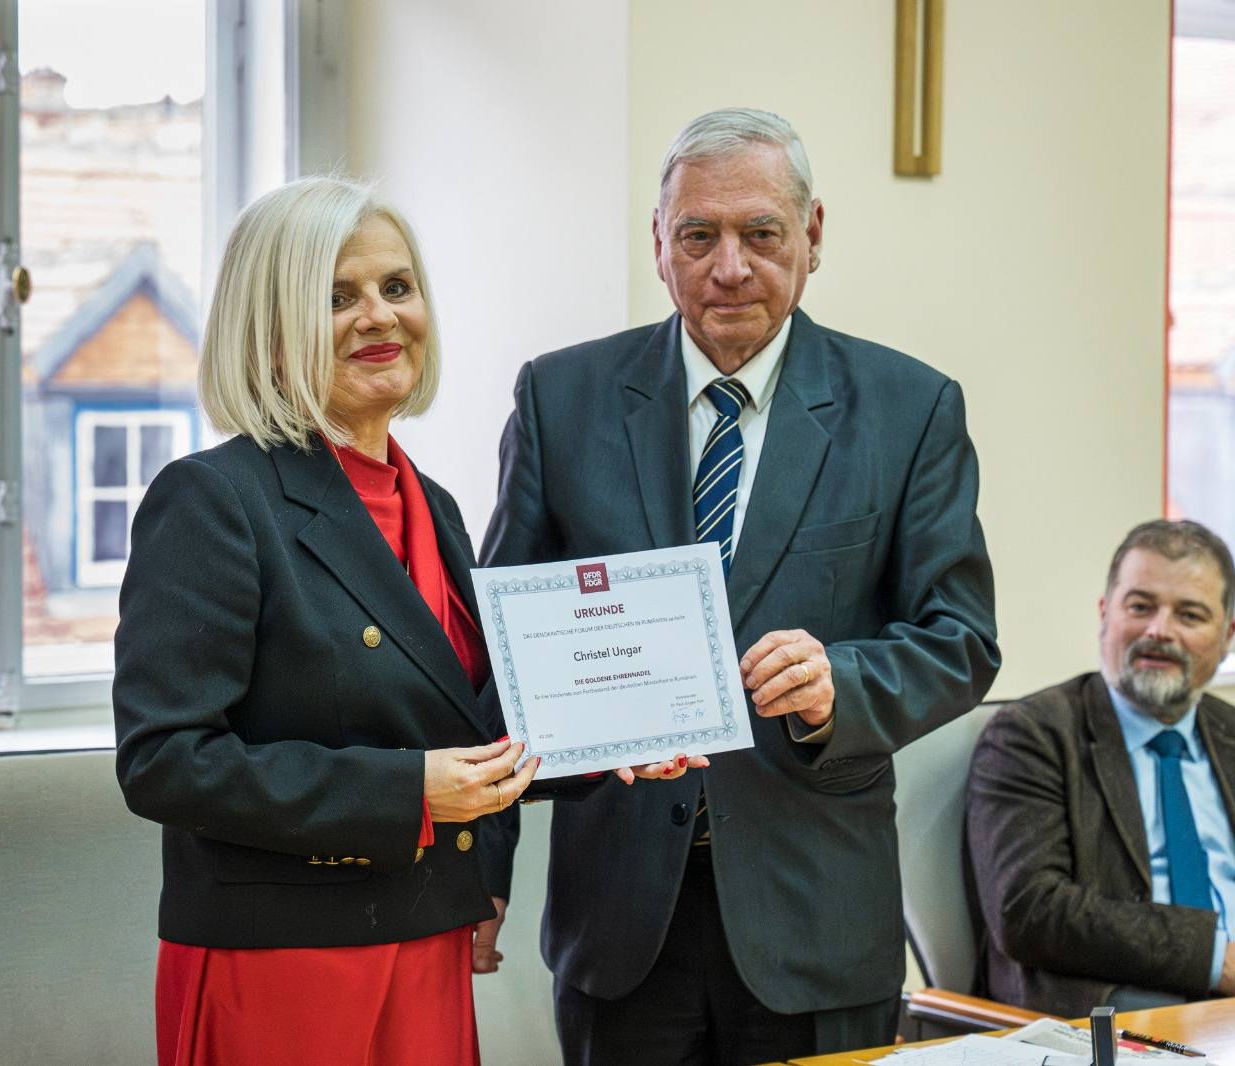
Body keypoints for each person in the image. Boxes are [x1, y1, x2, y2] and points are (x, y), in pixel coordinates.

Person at [113, 176, 689, 1066]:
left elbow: (461, 734)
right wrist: (408, 793)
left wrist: (607, 740)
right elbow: (165, 763)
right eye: (336, 297)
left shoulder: (436, 506)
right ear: (269, 330)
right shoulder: (212, 500)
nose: (379, 316)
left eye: (396, 287)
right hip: (283, 965)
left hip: (426, 939)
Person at [480, 108, 1000, 1065]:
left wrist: (842, 683)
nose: (730, 268)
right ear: (658, 242)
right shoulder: (561, 400)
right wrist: (482, 868)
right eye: (698, 236)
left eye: (761, 233)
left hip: (816, 921)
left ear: (812, 235)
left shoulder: (909, 407)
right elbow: (499, 658)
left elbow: (961, 639)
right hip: (620, 920)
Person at [968, 519, 1235, 1016]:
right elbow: (1029, 910)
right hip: (1116, 1008)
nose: (1159, 630)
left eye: (1190, 615)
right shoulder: (1033, 735)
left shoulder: (1229, 732)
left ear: (1227, 637)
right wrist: (1214, 958)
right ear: (1104, 613)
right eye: (1140, 607)